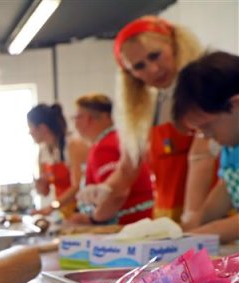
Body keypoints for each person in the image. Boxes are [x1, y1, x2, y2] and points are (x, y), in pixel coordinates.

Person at [78, 16, 216, 224]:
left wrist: (192, 216)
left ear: (174, 45)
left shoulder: (206, 87)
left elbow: (202, 157)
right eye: (139, 66)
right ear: (131, 75)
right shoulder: (148, 109)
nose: (152, 69)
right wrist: (106, 189)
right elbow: (128, 168)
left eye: (155, 56)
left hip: (212, 211)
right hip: (168, 216)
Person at [172, 51, 239, 243]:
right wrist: (187, 230)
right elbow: (224, 191)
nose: (206, 137)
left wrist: (195, 237)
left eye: (207, 126)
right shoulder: (232, 147)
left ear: (235, 105)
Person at [69, 93, 154, 224]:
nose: (75, 123)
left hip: (127, 225)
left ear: (87, 119)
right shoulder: (114, 139)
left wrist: (93, 219)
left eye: (76, 117)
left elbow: (117, 193)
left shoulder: (105, 146)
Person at [27, 104, 89, 218]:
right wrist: (40, 186)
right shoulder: (43, 152)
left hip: (82, 210)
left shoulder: (73, 146)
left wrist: (52, 207)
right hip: (63, 211)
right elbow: (45, 192)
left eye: (30, 127)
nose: (29, 132)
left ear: (42, 128)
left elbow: (78, 186)